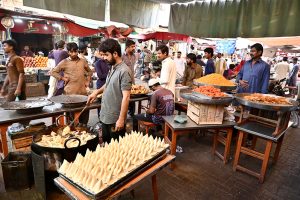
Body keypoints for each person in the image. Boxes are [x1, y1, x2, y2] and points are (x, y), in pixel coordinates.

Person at [87, 39, 132, 143]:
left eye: (106, 55)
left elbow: (126, 97)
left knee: (116, 150)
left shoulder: (124, 71)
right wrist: (96, 92)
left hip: (115, 119)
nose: (103, 58)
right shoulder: (112, 67)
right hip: (105, 115)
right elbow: (108, 84)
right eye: (102, 55)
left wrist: (121, 119)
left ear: (115, 53)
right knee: (107, 145)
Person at [51, 42, 92, 125]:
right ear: (68, 52)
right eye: (71, 52)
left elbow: (90, 71)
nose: (73, 54)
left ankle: (84, 130)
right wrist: (62, 78)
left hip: (83, 93)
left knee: (84, 117)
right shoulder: (64, 62)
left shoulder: (83, 61)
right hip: (70, 95)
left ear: (78, 51)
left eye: (75, 51)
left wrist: (88, 80)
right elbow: (53, 72)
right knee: (72, 120)